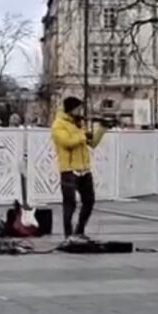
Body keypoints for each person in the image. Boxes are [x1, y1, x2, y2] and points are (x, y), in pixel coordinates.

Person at [51, 96, 104, 241]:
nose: (80, 111)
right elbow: (67, 142)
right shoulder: (59, 124)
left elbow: (92, 143)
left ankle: (79, 230)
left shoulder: (78, 124)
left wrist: (102, 129)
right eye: (78, 108)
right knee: (70, 204)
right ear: (71, 109)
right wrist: (81, 134)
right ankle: (68, 236)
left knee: (89, 201)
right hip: (69, 170)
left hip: (84, 169)